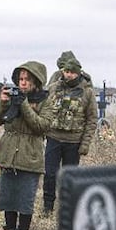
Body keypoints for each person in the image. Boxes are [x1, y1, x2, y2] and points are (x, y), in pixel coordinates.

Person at [0, 61, 55, 230]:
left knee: (25, 196)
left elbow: (42, 126)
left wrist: (24, 105)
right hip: (9, 152)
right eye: (20, 79)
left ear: (36, 81)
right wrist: (4, 103)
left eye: (27, 79)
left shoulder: (45, 101)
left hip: (30, 154)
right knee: (8, 194)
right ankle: (9, 227)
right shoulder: (14, 96)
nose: (23, 82)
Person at [41, 51, 98, 217]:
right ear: (62, 71)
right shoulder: (54, 88)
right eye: (66, 71)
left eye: (72, 72)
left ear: (78, 73)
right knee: (50, 174)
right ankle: (47, 207)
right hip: (53, 138)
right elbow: (44, 109)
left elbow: (92, 119)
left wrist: (85, 144)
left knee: (69, 177)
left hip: (73, 142)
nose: (69, 75)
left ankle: (67, 208)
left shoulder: (87, 92)